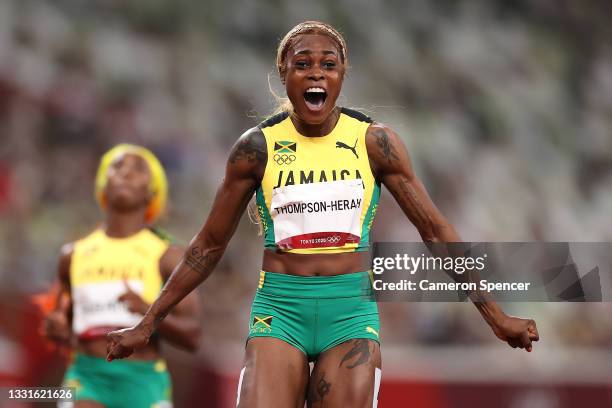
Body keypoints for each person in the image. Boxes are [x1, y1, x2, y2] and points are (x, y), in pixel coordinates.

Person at [106, 21, 539, 408]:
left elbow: (435, 230)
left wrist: (495, 315)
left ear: (342, 75)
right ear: (285, 74)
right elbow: (208, 245)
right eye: (303, 64)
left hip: (349, 313)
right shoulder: (256, 148)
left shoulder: (374, 143)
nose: (316, 72)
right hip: (280, 309)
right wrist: (149, 323)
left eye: (328, 64)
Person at [45, 144, 201, 408]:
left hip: (144, 384)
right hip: (87, 378)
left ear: (153, 192)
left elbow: (192, 336)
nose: (126, 173)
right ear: (103, 184)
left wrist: (147, 313)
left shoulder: (168, 256)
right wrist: (56, 329)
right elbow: (65, 324)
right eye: (117, 166)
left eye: (138, 169)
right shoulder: (73, 255)